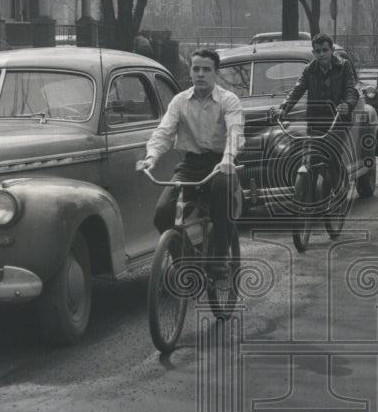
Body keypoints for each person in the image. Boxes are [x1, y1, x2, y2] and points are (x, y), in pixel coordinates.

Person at [137, 49, 243, 271]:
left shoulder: (228, 100)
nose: (200, 74)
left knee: (222, 190)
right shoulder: (180, 101)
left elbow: (235, 132)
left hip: (220, 164)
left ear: (216, 73)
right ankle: (187, 259)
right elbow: (164, 132)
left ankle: (220, 257)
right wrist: (151, 158)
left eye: (206, 69)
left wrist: (228, 158)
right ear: (190, 72)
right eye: (196, 69)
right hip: (191, 165)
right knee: (163, 213)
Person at [269, 33, 359, 197]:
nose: (321, 54)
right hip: (315, 121)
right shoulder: (309, 69)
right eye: (317, 51)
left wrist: (347, 105)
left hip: (338, 120)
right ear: (314, 53)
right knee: (310, 153)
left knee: (331, 149)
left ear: (331, 50)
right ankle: (309, 191)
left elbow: (351, 90)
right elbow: (297, 90)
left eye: (324, 50)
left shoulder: (344, 66)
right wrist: (283, 108)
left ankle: (341, 185)